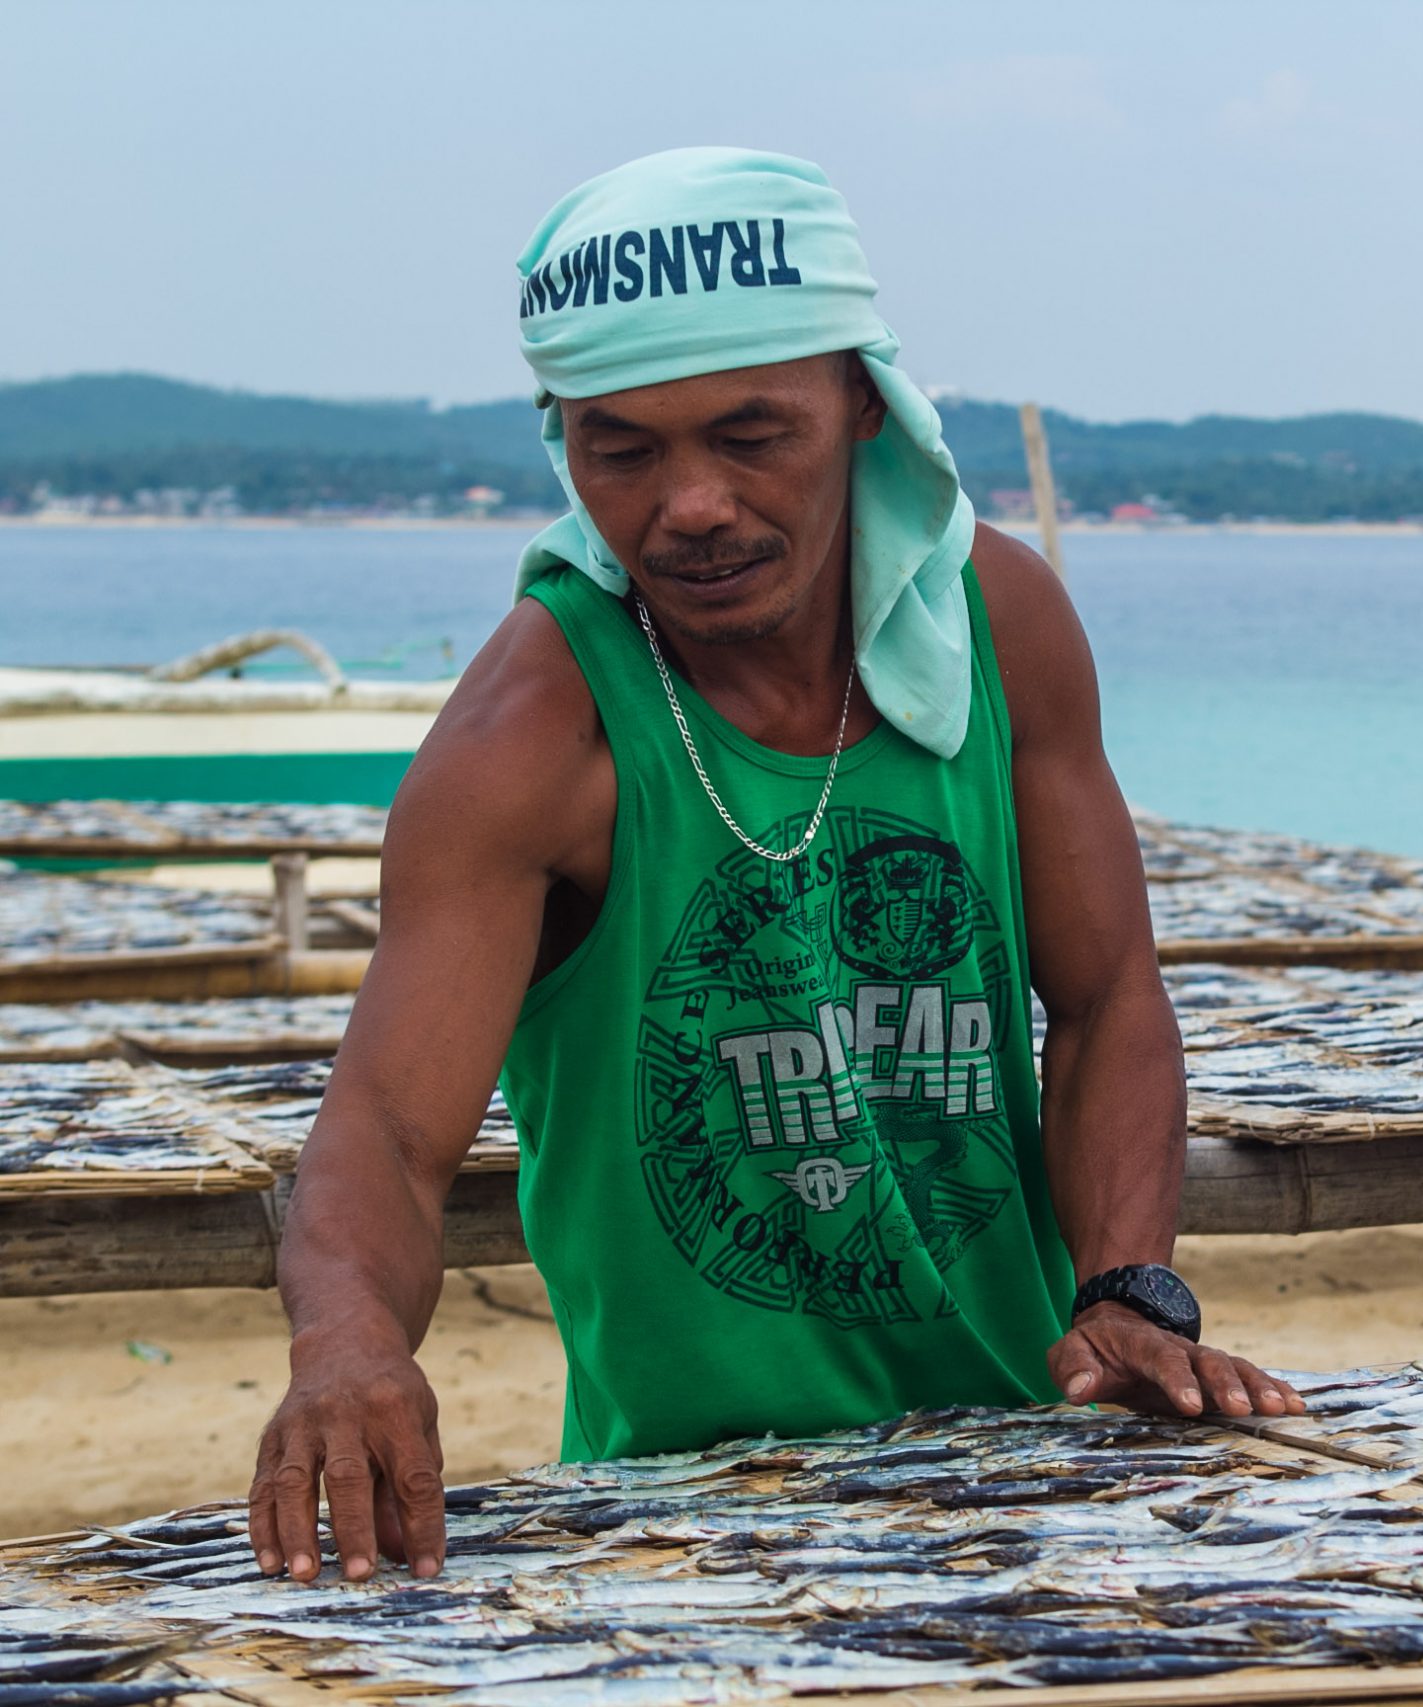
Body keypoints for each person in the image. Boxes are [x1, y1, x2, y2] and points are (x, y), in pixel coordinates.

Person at [246, 148, 1298, 1587]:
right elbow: (381, 1127)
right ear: (563, 443)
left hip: (1046, 1462)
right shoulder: (532, 733)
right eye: (621, 452)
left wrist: (1129, 1291)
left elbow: (1110, 996)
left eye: (752, 437)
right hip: (690, 1513)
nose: (689, 504)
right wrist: (349, 1342)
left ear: (865, 405)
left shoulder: (1008, 626)